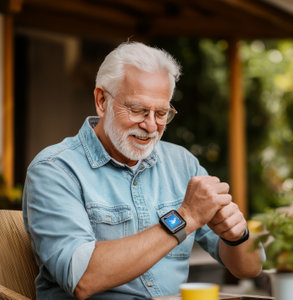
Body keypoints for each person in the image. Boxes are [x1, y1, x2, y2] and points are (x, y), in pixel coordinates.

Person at [22, 42, 263, 300]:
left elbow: (250, 269)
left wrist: (238, 235)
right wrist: (185, 218)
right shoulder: (55, 170)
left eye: (161, 113)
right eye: (137, 110)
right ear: (101, 101)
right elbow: (82, 278)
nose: (150, 125)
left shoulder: (183, 164)